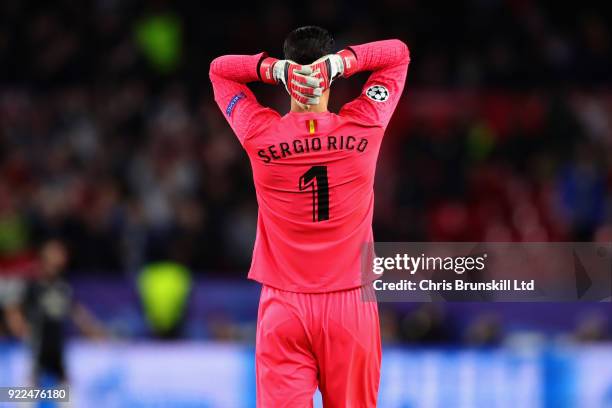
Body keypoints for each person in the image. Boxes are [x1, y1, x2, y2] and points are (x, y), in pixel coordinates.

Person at [209, 26, 409, 407]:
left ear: (288, 81)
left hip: (284, 305)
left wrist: (272, 69)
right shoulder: (365, 125)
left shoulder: (258, 133)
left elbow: (220, 70)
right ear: (330, 77)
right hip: (351, 304)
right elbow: (398, 54)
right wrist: (344, 62)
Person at [4, 239, 106, 386]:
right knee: (31, 385)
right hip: (37, 344)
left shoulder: (62, 286)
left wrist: (93, 330)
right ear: (44, 256)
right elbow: (13, 306)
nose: (60, 257)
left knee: (64, 387)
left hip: (57, 345)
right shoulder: (32, 284)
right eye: (56, 253)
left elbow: (76, 311)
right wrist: (18, 324)